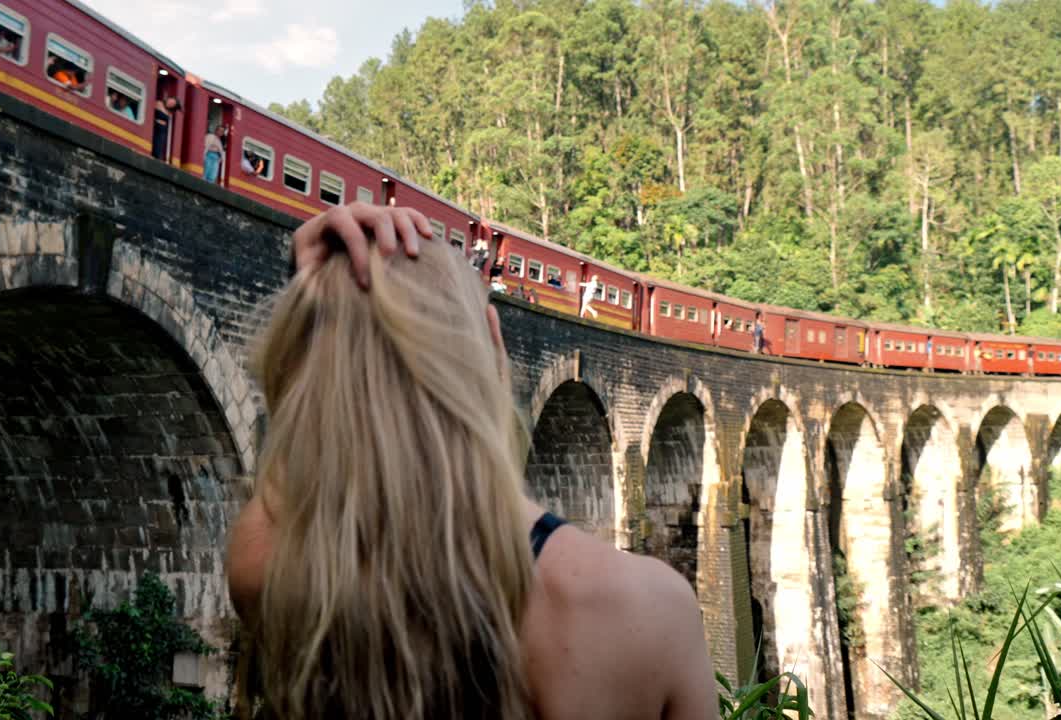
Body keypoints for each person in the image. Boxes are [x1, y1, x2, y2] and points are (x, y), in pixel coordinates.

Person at [226, 202, 717, 720]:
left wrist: (312, 311)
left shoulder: (266, 570)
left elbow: (294, 458)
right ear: (495, 346)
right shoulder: (652, 610)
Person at [151, 96, 181, 161]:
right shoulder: (159, 103)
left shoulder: (170, 112)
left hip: (162, 131)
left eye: (173, 104)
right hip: (155, 127)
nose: (170, 103)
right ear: (169, 98)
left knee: (159, 146)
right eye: (171, 101)